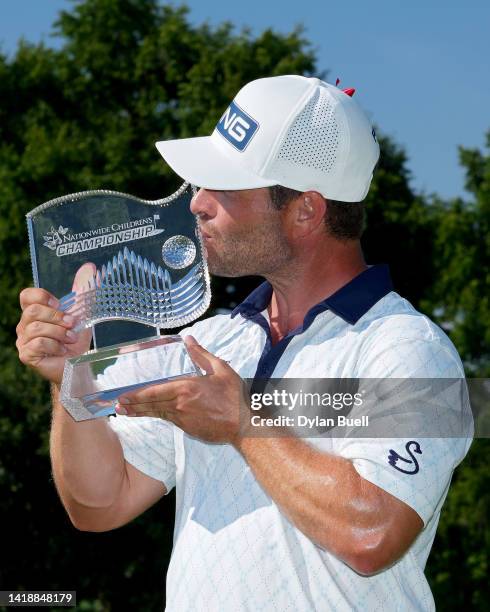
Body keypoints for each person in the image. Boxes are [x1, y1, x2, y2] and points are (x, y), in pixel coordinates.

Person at [16, 75, 472, 611]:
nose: (197, 205)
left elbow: (373, 534)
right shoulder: (208, 341)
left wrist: (241, 421)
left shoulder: (410, 348)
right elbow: (100, 503)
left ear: (306, 209)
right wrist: (76, 378)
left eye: (223, 187)